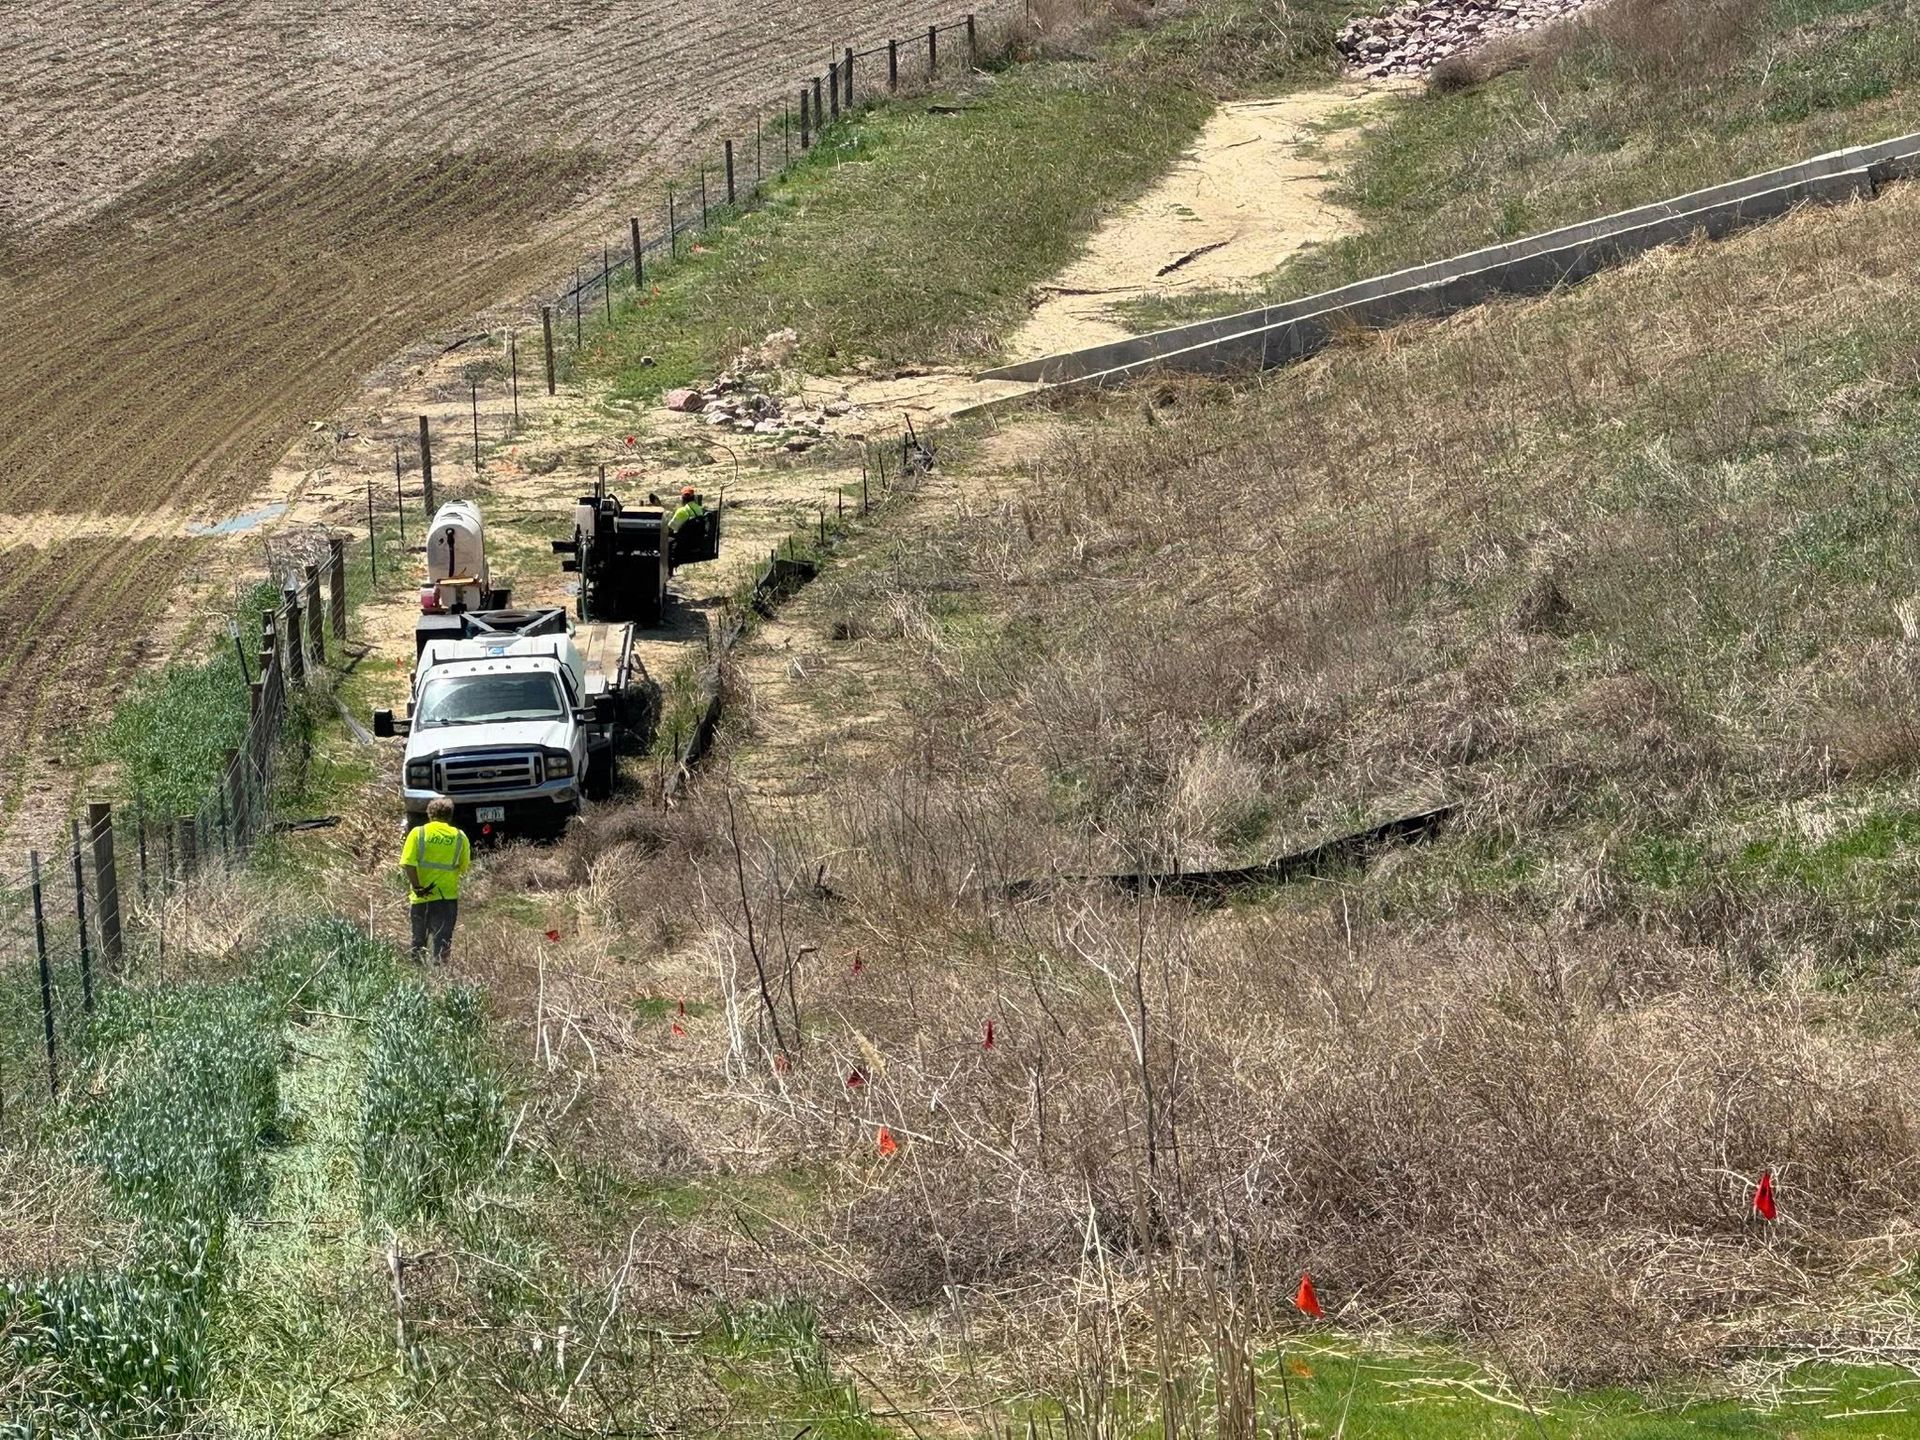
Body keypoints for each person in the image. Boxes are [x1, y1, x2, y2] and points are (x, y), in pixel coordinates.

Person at [400, 797, 471, 963]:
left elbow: (408, 864)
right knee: (443, 944)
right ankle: (440, 980)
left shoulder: (418, 833)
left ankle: (417, 979)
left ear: (429, 814)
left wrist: (417, 887)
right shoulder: (460, 837)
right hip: (447, 898)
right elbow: (464, 867)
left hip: (421, 897)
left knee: (418, 942)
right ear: (450, 815)